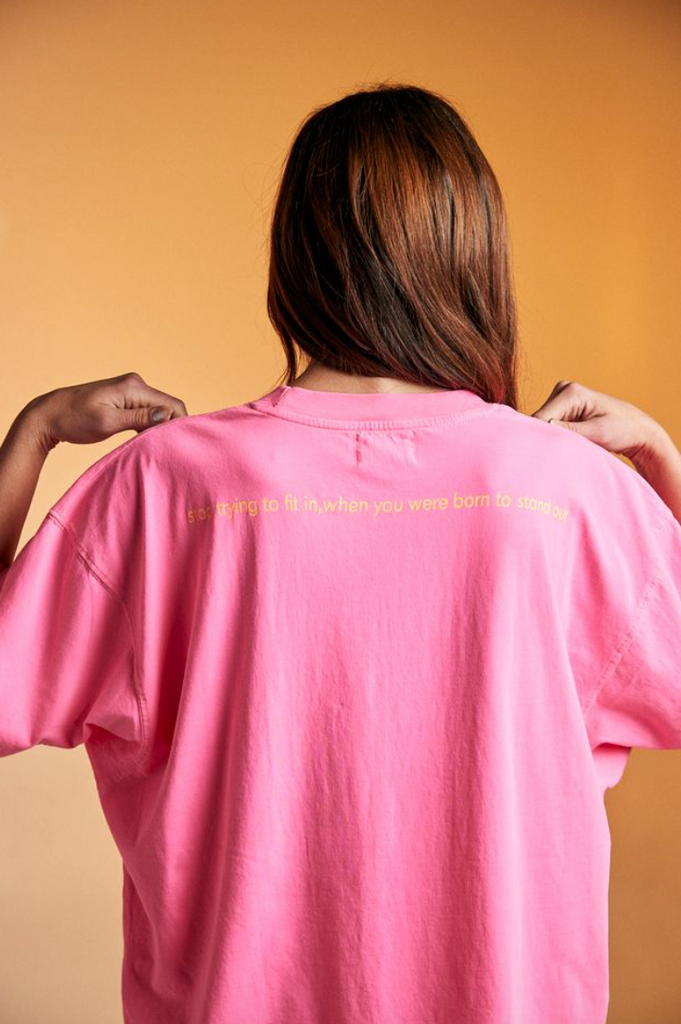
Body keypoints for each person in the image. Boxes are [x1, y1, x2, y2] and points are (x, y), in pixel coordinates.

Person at [1, 83, 680, 1024]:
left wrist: (32, 434)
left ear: (294, 258)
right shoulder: (568, 491)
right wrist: (662, 464)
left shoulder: (164, 486)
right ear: (473, 258)